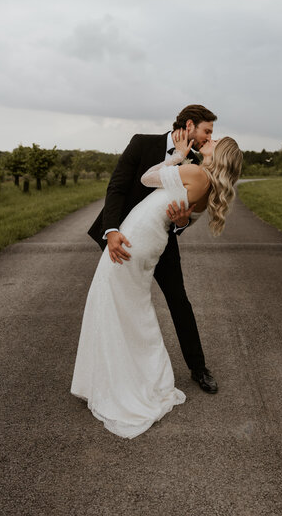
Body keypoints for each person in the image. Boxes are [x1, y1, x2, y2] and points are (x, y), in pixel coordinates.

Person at [87, 105, 218, 394]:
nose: (209, 136)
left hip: (161, 240)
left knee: (179, 301)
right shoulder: (142, 142)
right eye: (207, 130)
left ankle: (199, 368)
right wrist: (111, 231)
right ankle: (111, 371)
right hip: (124, 239)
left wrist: (182, 223)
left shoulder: (197, 162)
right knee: (117, 301)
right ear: (190, 124)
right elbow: (117, 188)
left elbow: (191, 213)